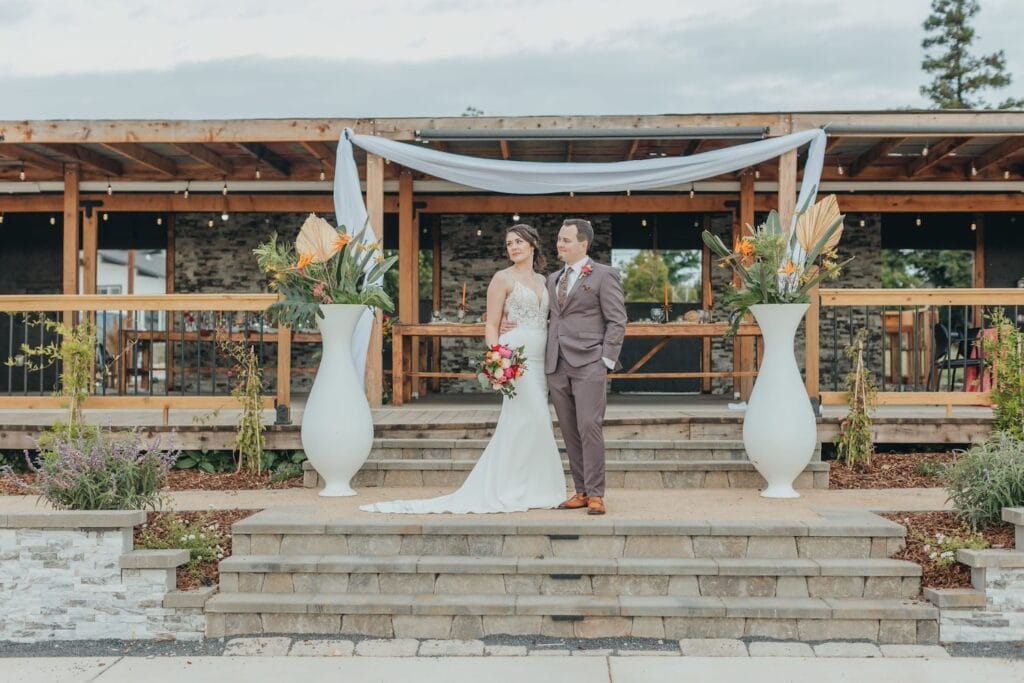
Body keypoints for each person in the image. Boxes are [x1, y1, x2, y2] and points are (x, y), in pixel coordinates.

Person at [360, 224, 565, 514]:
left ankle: (536, 487)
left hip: (540, 358)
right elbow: (492, 324)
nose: (514, 247)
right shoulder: (501, 278)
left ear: (533, 245)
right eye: (509, 244)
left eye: (519, 242)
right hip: (514, 359)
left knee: (530, 421)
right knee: (532, 417)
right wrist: (498, 359)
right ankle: (509, 488)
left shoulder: (545, 281)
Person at [541, 218, 626, 515]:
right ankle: (580, 490)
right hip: (556, 363)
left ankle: (596, 494)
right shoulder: (552, 279)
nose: (559, 244)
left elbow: (617, 320)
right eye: (559, 239)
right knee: (568, 430)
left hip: (590, 360)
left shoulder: (604, 275)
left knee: (589, 426)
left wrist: (606, 359)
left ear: (583, 244)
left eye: (565, 240)